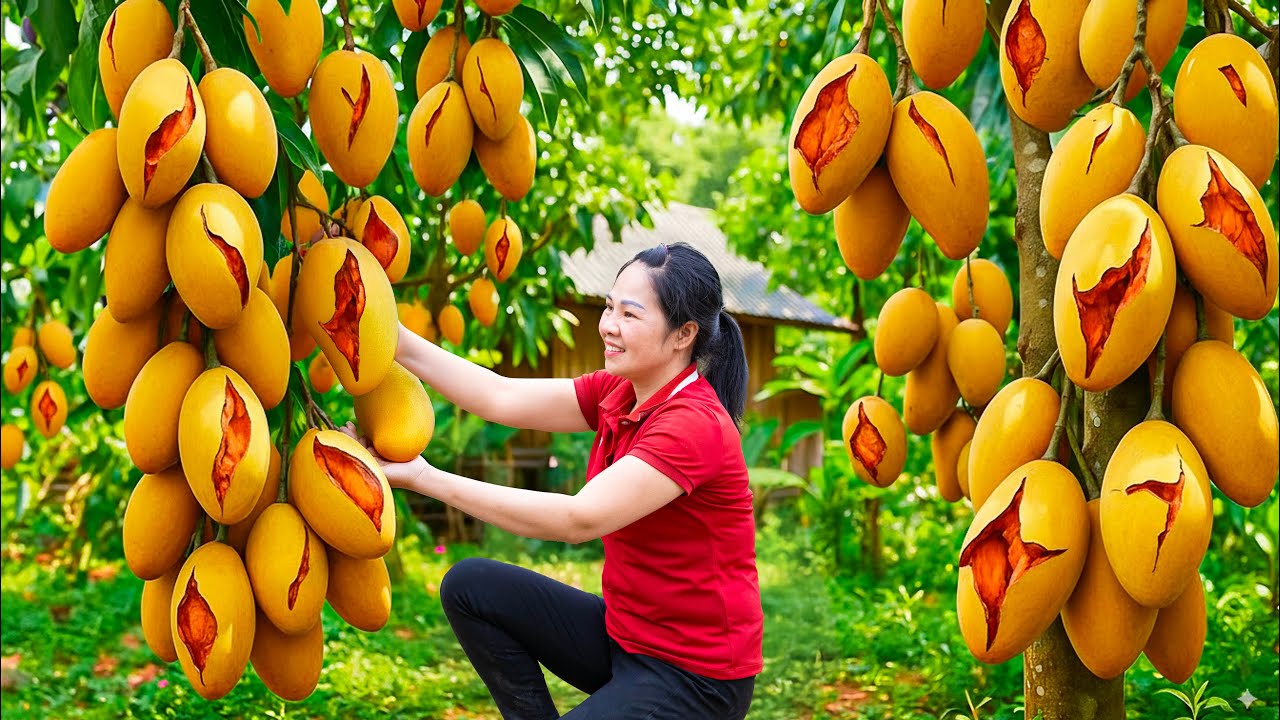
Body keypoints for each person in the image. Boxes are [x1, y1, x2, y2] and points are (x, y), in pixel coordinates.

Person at [343, 241, 763, 719]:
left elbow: (577, 518)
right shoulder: (622, 392)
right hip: (625, 638)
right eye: (609, 307)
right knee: (471, 586)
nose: (608, 326)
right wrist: (387, 333)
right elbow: (497, 397)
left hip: (697, 677)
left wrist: (423, 477)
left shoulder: (693, 423)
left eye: (630, 314)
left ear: (683, 333)